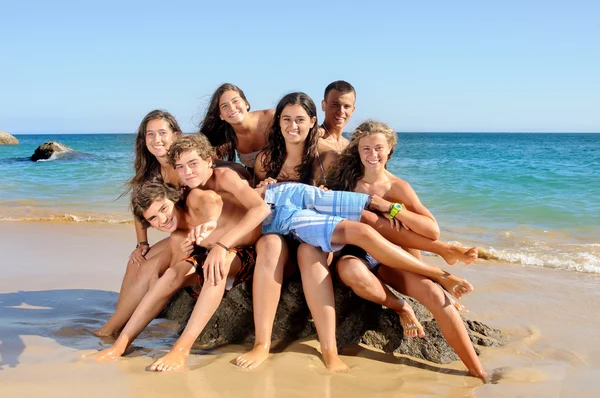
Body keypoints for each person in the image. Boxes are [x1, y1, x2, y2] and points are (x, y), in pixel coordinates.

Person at [93, 136, 272, 370]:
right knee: (170, 275)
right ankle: (121, 343)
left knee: (216, 266)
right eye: (153, 219)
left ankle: (181, 350)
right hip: (220, 248)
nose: (163, 219)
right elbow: (178, 275)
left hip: (244, 246)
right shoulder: (179, 235)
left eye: (164, 209)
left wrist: (213, 228)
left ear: (173, 198)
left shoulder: (197, 195)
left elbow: (213, 202)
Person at [326, 120, 486, 381]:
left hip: (390, 256)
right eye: (365, 149)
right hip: (355, 254)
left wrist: (392, 208)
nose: (372, 155)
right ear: (357, 150)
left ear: (389, 149)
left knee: (434, 294)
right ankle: (405, 305)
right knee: (354, 262)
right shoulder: (344, 181)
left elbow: (431, 228)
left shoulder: (397, 187)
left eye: (378, 148)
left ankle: (477, 371)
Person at [92, 110, 182, 337]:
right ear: (143, 140)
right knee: (137, 260)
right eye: (150, 134)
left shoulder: (184, 164)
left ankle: (110, 329)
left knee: (150, 267)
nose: (156, 140)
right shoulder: (150, 170)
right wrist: (142, 242)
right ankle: (120, 317)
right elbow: (139, 210)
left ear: (176, 135)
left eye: (162, 132)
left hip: (198, 234)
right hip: (180, 233)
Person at [199, 83, 274, 176]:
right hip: (255, 183)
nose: (232, 108)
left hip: (287, 178)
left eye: (235, 101)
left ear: (246, 104)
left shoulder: (271, 118)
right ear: (221, 116)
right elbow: (202, 157)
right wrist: (235, 167)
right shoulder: (227, 136)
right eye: (224, 106)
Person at [318, 80, 356, 154]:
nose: (341, 111)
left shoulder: (350, 148)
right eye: (335, 105)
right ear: (324, 105)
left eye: (346, 106)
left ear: (352, 110)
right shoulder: (312, 142)